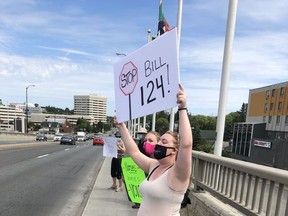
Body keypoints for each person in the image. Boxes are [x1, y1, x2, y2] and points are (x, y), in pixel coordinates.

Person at [114, 84, 193, 216]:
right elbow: (134, 152)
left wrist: (182, 108)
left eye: (164, 142)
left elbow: (186, 145)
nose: (159, 144)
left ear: (174, 150)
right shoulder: (154, 166)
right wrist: (121, 127)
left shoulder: (178, 173)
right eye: (160, 140)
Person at [132, 130, 161, 209]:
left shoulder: (162, 163)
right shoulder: (149, 161)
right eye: (146, 140)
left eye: (150, 140)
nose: (147, 142)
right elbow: (134, 152)